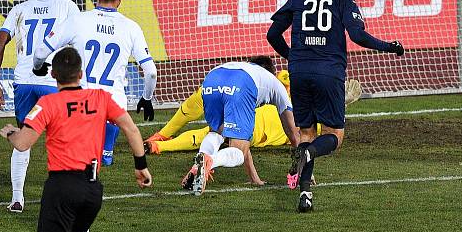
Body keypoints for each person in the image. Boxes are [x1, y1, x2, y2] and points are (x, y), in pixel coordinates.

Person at [0, 47, 152, 232]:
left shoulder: (48, 103)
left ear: (53, 74)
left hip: (62, 188)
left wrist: (8, 132)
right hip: (93, 191)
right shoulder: (101, 98)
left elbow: (23, 143)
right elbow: (131, 130)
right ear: (81, 74)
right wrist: (140, 167)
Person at [267, 0, 404, 212]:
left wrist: (292, 57)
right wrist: (389, 46)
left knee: (306, 133)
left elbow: (273, 34)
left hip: (299, 72)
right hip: (328, 72)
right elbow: (358, 36)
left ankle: (305, 193)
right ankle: (309, 154)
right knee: (334, 136)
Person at [32, 0, 156, 232]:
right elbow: (150, 72)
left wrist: (39, 65)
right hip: (113, 106)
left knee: (82, 165)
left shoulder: (77, 19)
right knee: (95, 164)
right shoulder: (131, 27)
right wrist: (146, 99)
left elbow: (42, 49)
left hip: (83, 103)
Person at [0, 0, 80, 213]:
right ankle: (67, 198)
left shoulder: (19, 9)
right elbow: (78, 42)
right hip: (53, 82)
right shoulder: (68, 6)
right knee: (65, 140)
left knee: (23, 137)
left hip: (24, 83)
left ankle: (17, 199)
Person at [145, 72, 360, 157]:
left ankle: (159, 143)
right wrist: (340, 106)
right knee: (209, 136)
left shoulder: (285, 94)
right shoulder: (305, 120)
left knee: (208, 133)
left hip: (249, 112)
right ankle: (160, 143)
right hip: (254, 120)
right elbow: (325, 132)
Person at [182, 56, 299, 194]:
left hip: (212, 78)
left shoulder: (245, 67)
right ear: (271, 72)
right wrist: (305, 170)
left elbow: (244, 138)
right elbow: (293, 133)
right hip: (241, 84)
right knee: (238, 152)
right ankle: (211, 161)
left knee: (217, 132)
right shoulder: (275, 83)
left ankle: (198, 167)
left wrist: (254, 179)